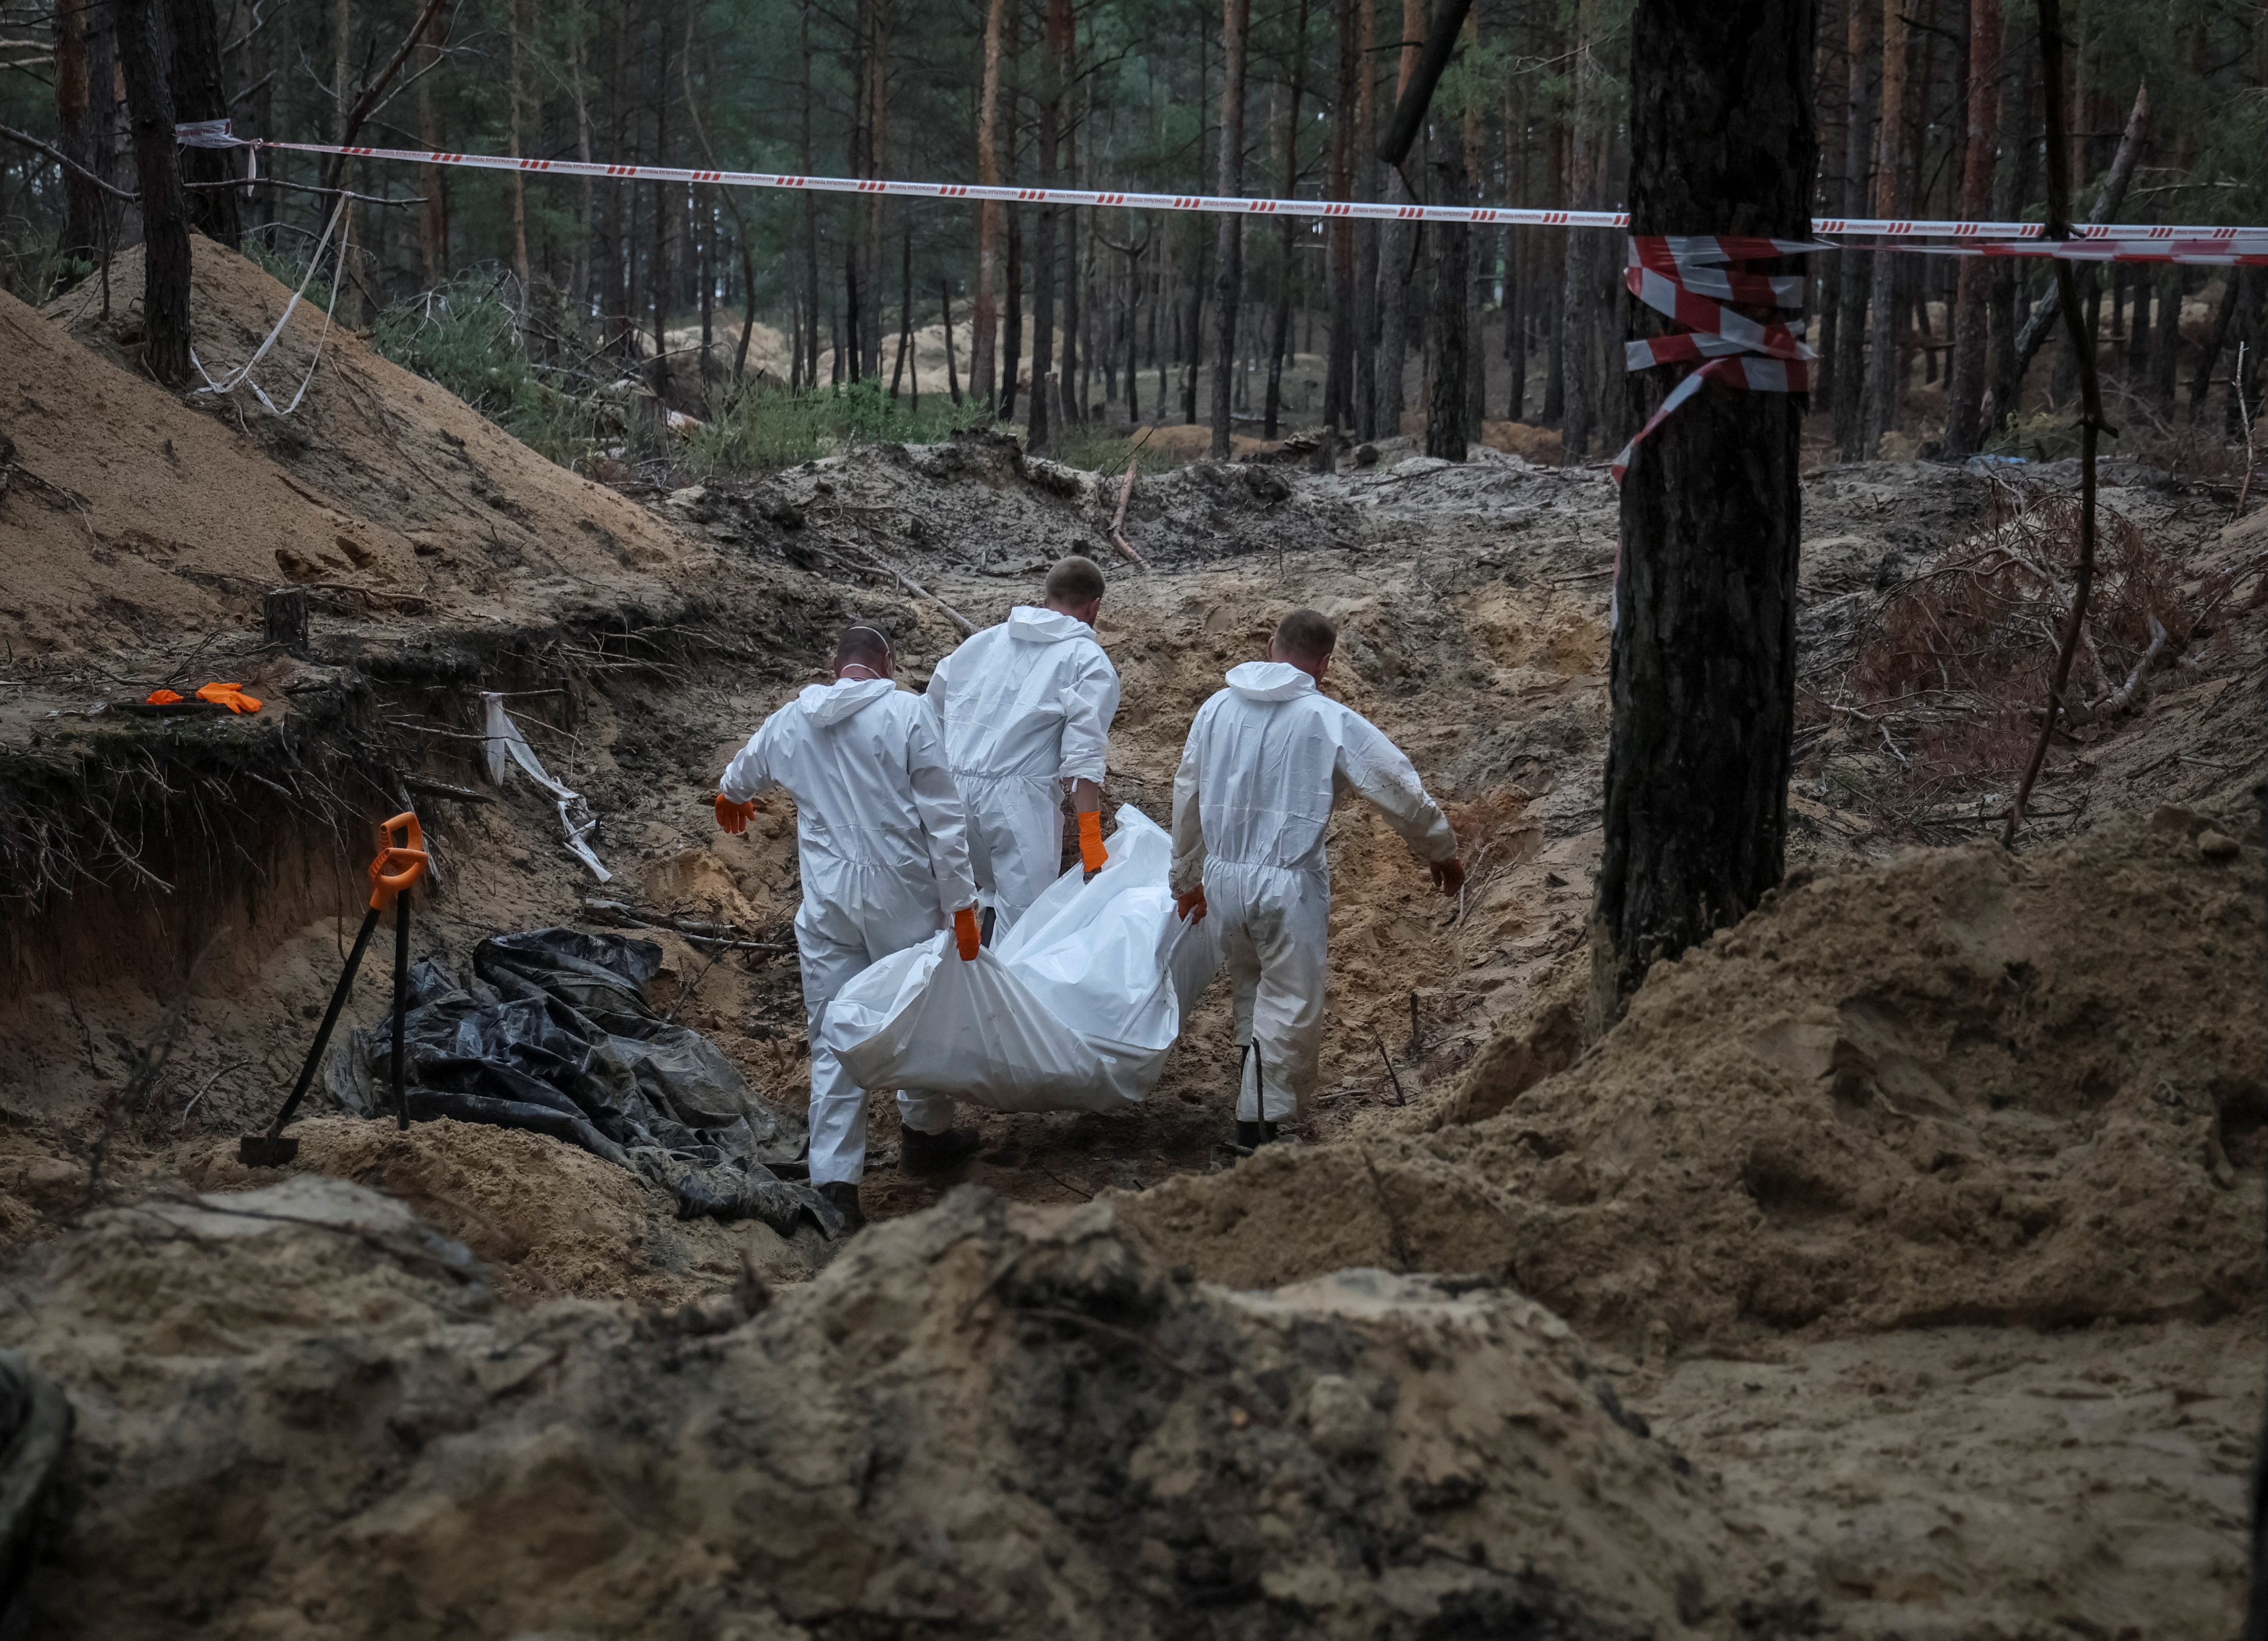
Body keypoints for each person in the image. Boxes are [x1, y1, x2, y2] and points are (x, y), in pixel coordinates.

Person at [715, 622, 984, 1228]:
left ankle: (835, 1183)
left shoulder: (792, 719)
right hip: (904, 892)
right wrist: (961, 905)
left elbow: (740, 776)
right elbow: (944, 819)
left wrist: (732, 798)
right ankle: (925, 1135)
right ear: (887, 663)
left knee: (833, 1027)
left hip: (829, 895)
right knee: (917, 1012)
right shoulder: (909, 714)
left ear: (833, 662)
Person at [1169, 609, 1464, 1149]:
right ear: (1324, 665)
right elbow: (1394, 785)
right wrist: (1438, 849)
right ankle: (1256, 1132)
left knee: (1250, 986)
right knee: (1288, 1001)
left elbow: (1186, 792)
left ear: (1268, 645)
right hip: (1285, 884)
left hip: (1221, 877)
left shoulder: (1214, 709)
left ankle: (1250, 1088)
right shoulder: (1325, 718)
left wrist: (1184, 873)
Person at [926, 556, 1122, 938]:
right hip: (1017, 805)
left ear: (1046, 597)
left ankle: (970, 981)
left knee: (980, 900)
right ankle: (1003, 993)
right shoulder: (1087, 661)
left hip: (953, 795)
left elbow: (929, 714)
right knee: (1025, 926)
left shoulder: (982, 643)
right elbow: (1082, 758)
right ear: (1095, 605)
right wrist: (1090, 837)